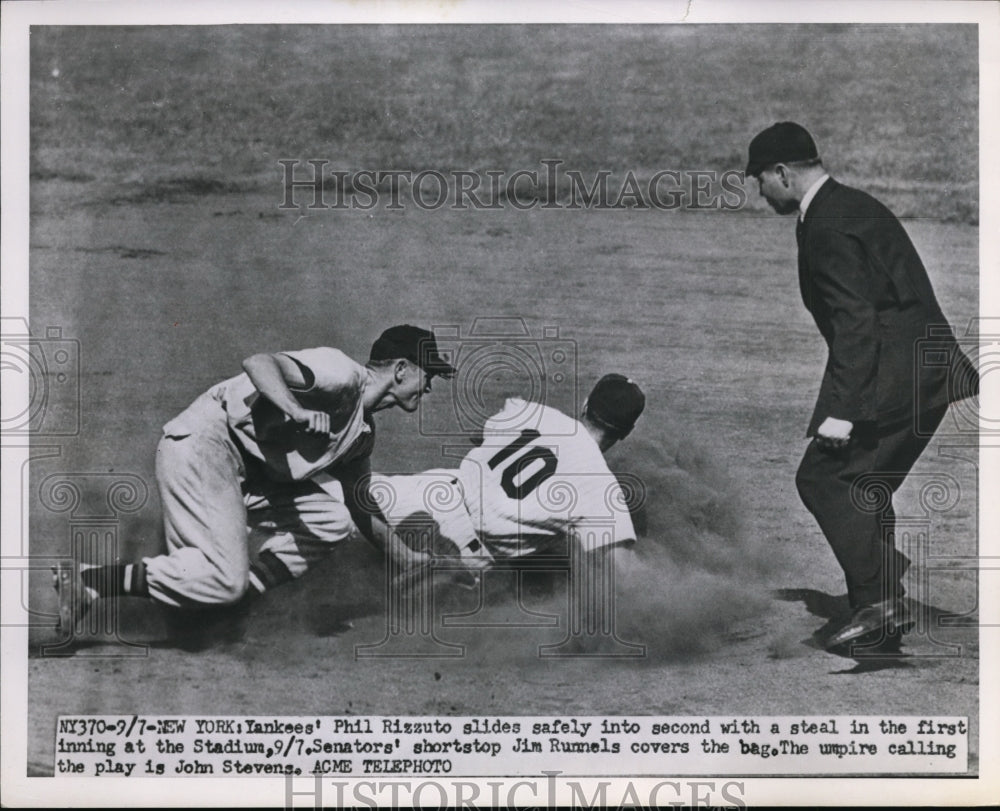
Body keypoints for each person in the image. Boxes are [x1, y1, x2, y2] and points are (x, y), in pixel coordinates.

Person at [745, 121, 978, 649]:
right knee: (864, 482)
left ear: (783, 172)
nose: (758, 189)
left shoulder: (827, 225)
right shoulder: (848, 204)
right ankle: (877, 598)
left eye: (759, 177)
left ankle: (878, 602)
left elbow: (856, 323)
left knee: (824, 479)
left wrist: (843, 411)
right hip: (925, 372)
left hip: (897, 377)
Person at [54, 324, 455, 631]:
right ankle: (92, 580)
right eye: (429, 374)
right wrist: (295, 410)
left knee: (332, 519)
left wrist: (409, 559)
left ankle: (238, 602)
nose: (431, 386)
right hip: (205, 446)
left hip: (242, 475)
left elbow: (360, 506)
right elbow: (259, 363)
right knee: (222, 582)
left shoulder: (361, 434)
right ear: (401, 370)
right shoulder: (340, 373)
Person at [366, 374, 646, 646]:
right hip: (456, 545)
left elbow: (482, 437)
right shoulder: (602, 487)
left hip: (424, 489)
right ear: (625, 432)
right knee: (387, 615)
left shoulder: (531, 411)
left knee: (339, 501)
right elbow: (625, 573)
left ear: (585, 404)